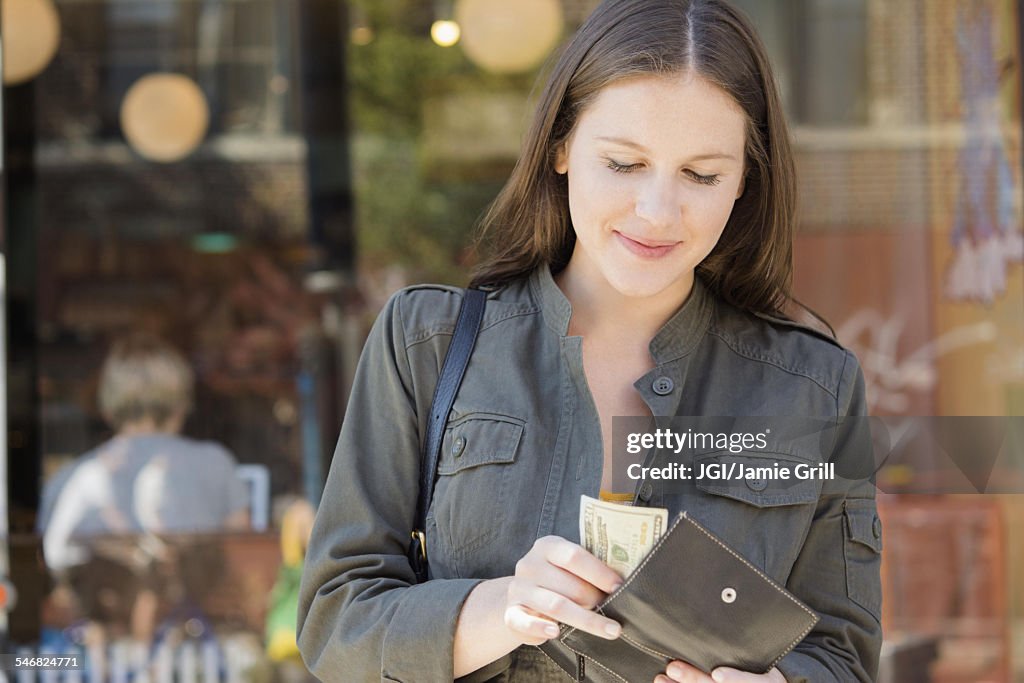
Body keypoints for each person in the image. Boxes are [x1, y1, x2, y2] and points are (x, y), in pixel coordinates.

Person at [297, 1, 882, 681]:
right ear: (562, 145)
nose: (658, 211)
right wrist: (500, 608)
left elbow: (842, 654)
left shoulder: (814, 386)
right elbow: (335, 621)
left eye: (702, 175)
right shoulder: (424, 344)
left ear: (745, 181)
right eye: (625, 163)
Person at [40, 332, 250, 639]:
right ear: (182, 404)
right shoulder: (216, 463)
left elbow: (53, 576)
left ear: (107, 406)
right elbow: (242, 560)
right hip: (200, 643)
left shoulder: (70, 477)